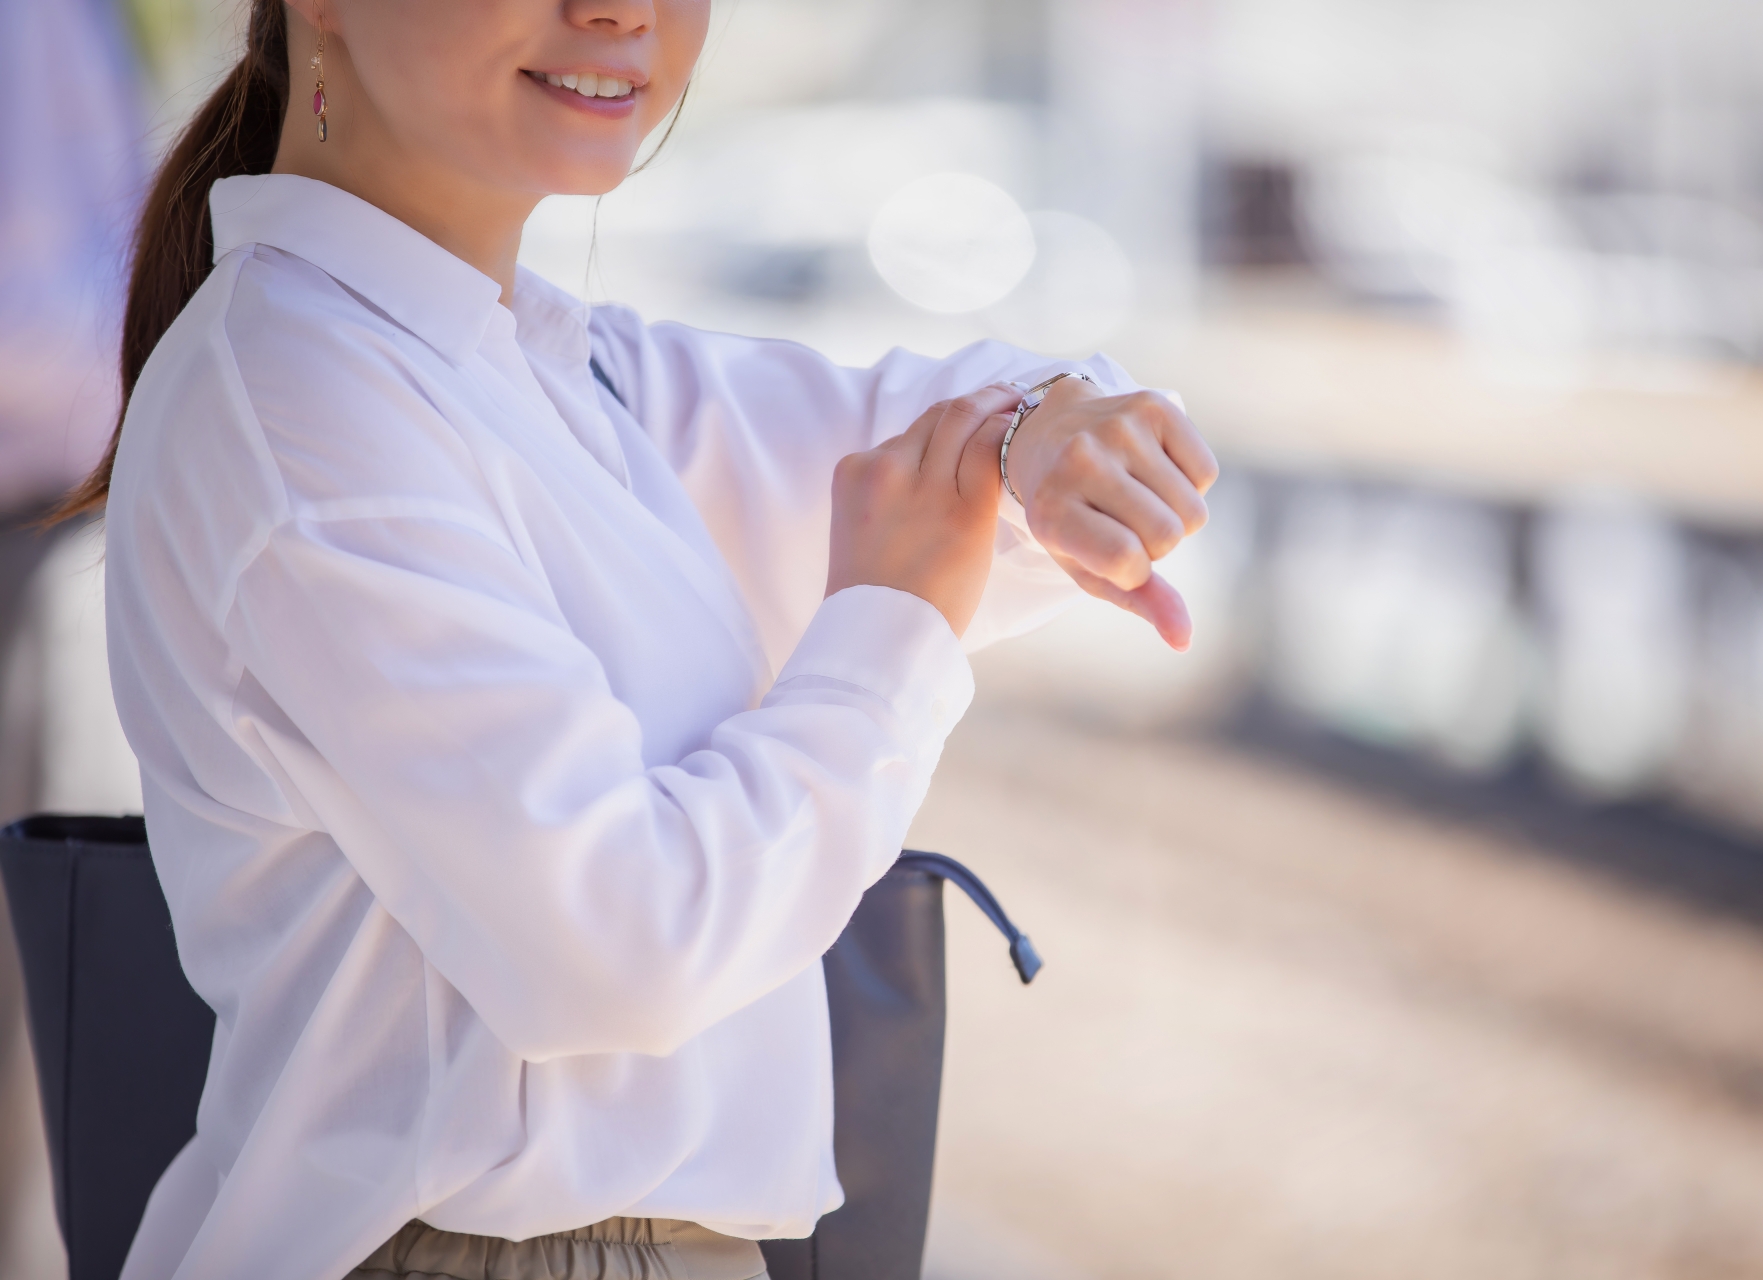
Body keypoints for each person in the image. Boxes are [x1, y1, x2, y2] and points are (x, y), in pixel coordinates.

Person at [65, 1, 1216, 1277]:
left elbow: (905, 449)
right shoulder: (299, 396)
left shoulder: (547, 368)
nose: (621, 9)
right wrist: (890, 627)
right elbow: (619, 945)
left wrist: (1049, 430)